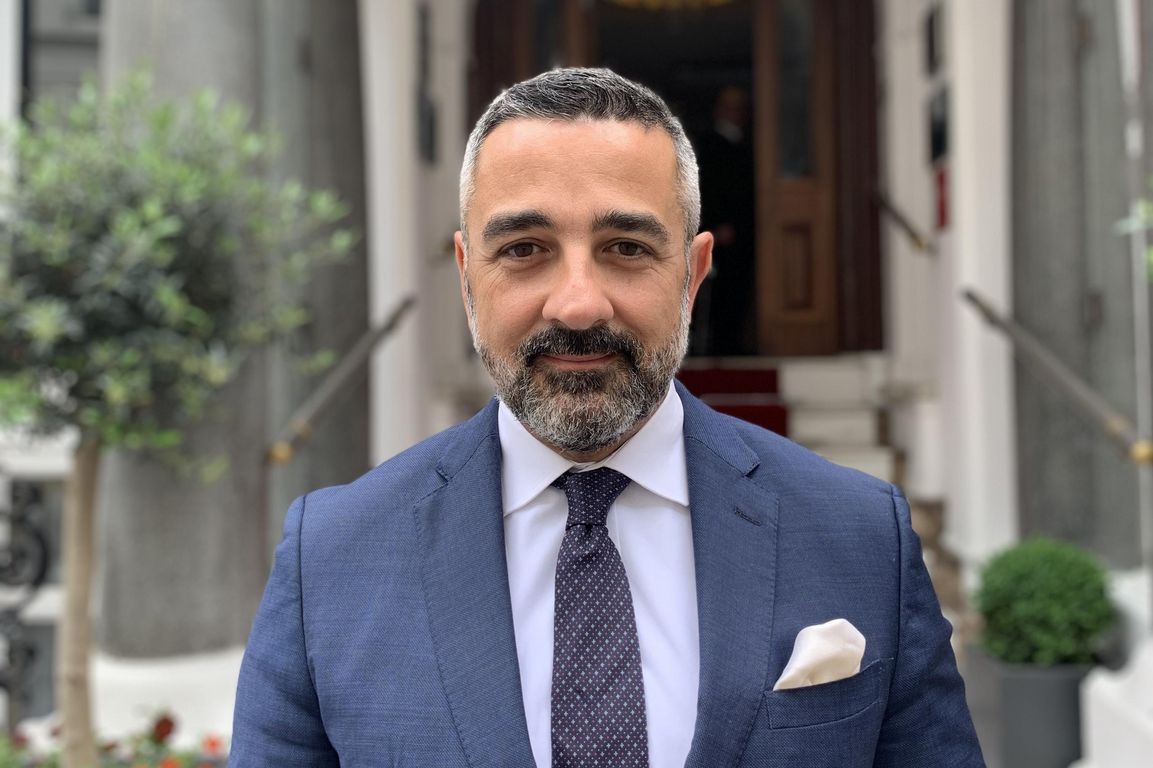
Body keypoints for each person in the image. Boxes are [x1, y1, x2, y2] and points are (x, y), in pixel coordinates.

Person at [230, 68, 984, 767]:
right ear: (466, 278)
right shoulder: (332, 557)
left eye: (625, 247)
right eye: (524, 249)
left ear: (692, 274)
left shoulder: (860, 535)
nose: (578, 304)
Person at [694, 85, 757, 355]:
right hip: (723, 232)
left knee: (738, 289)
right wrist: (716, 224)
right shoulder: (711, 145)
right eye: (732, 107)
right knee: (724, 291)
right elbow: (708, 188)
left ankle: (733, 343)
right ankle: (721, 347)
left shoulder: (745, 142)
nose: (737, 113)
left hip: (742, 231)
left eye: (740, 107)